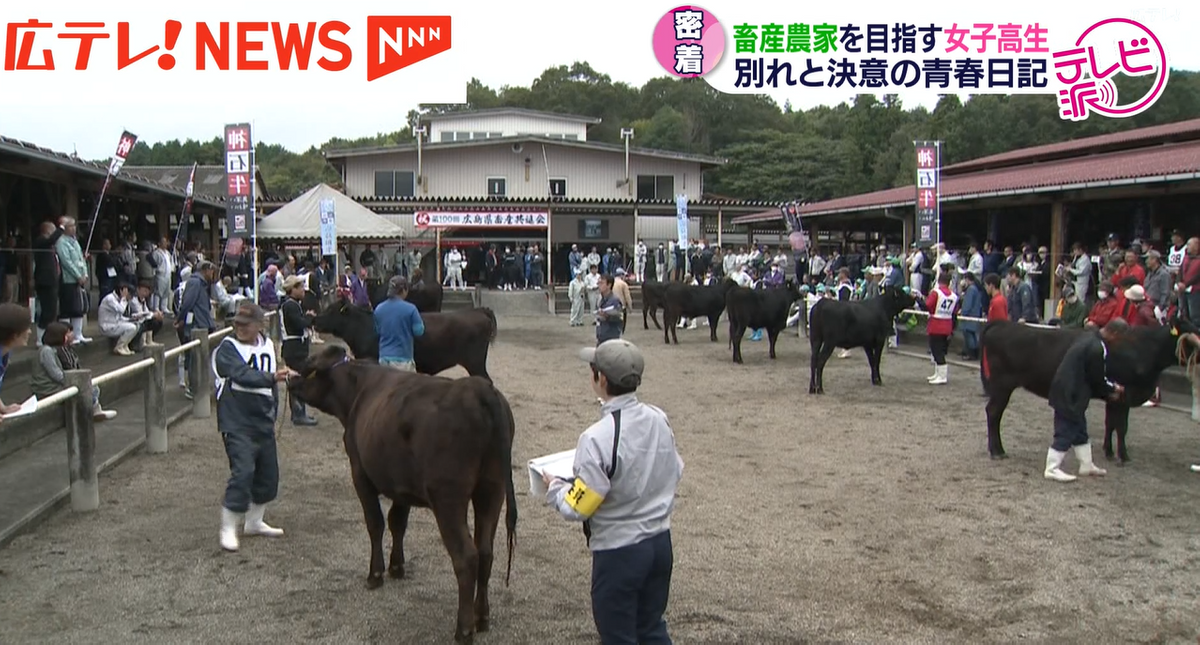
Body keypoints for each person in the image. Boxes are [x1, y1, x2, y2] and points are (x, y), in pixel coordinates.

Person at [542, 339, 683, 645]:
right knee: (652, 628)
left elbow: (579, 506)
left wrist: (555, 487)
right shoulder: (659, 417)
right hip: (660, 542)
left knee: (617, 636)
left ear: (601, 379)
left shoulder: (596, 438)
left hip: (620, 551)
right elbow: (676, 470)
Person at [213, 302, 294, 552]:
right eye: (236, 323)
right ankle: (228, 526)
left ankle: (254, 521)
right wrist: (272, 378)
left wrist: (273, 410)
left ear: (260, 325)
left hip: (262, 418)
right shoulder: (227, 348)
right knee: (243, 470)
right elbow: (241, 374)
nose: (239, 328)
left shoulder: (268, 345)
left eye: (245, 324)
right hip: (237, 419)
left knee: (268, 475)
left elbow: (270, 386)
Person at [1044, 320, 1126, 482]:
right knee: (1066, 429)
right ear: (1115, 334)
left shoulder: (1087, 337)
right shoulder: (1098, 348)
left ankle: (1086, 464)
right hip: (1072, 393)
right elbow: (1097, 378)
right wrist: (1113, 389)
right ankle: (1052, 468)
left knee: (1080, 428)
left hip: (1064, 388)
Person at [31, 321, 117, 420]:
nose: (69, 336)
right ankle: (92, 412)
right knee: (88, 388)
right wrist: (75, 381)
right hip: (47, 388)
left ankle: (95, 410)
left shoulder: (55, 350)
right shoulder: (46, 351)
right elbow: (56, 375)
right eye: (67, 334)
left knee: (91, 385)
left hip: (54, 384)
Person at [279, 275, 318, 426]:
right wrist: (308, 318)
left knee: (299, 379)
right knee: (297, 380)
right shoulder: (290, 306)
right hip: (294, 348)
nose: (303, 290)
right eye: (300, 287)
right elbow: (299, 324)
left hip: (296, 348)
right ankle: (298, 413)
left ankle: (299, 412)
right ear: (292, 289)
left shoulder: (293, 304)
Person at [175, 261, 217, 399]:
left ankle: (199, 386)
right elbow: (187, 303)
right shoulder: (194, 282)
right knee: (194, 359)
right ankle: (193, 387)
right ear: (205, 270)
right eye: (211, 271)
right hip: (195, 324)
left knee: (201, 358)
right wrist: (180, 319)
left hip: (202, 323)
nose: (212, 274)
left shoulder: (202, 284)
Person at [373, 275, 425, 371]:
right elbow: (419, 331)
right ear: (404, 290)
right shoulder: (411, 309)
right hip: (403, 359)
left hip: (384, 358)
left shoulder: (379, 309)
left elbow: (377, 330)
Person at [55, 217, 92, 344]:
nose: (74, 228)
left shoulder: (75, 241)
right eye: (70, 226)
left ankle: (78, 334)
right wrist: (78, 275)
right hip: (68, 279)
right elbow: (66, 262)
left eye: (74, 225)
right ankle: (65, 335)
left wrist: (85, 274)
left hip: (79, 280)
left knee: (78, 308)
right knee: (67, 309)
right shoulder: (61, 242)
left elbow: (81, 260)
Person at [924, 271, 959, 385]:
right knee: (941, 350)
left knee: (936, 350)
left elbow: (928, 306)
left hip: (936, 324)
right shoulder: (954, 296)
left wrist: (919, 300)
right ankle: (938, 373)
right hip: (947, 324)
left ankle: (942, 375)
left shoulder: (936, 293)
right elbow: (955, 312)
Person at [33, 222, 63, 346]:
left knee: (52, 310)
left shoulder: (49, 245)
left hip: (52, 280)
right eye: (53, 229)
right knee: (46, 311)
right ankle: (40, 338)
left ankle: (47, 337)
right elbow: (51, 240)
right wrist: (61, 228)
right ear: (47, 230)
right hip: (44, 281)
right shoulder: (41, 241)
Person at [0, 303, 33, 415]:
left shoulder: (5, 354)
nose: (30, 332)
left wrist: (3, 408)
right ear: (14, 335)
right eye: (26, 328)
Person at [97, 282, 139, 356]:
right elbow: (121, 310)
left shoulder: (118, 299)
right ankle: (119, 347)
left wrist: (130, 319)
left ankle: (124, 345)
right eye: (130, 294)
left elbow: (119, 316)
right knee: (131, 328)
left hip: (115, 323)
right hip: (107, 326)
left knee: (137, 325)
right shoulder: (110, 299)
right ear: (122, 291)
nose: (131, 297)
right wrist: (124, 298)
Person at [958, 273, 984, 360]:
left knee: (969, 335)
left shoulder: (971, 289)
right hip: (975, 314)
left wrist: (963, 313)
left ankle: (972, 353)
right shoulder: (975, 289)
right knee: (972, 335)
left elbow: (967, 304)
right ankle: (973, 352)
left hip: (969, 316)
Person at [595, 274, 624, 345]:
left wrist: (607, 315)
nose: (599, 285)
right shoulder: (600, 299)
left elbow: (619, 317)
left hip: (611, 337)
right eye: (598, 283)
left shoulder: (614, 300)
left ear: (609, 285)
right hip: (601, 336)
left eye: (602, 283)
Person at [611, 269, 633, 333]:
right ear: (621, 275)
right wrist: (630, 307)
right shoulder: (623, 284)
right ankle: (620, 331)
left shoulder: (611, 282)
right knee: (621, 320)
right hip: (621, 305)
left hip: (611, 304)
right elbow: (627, 297)